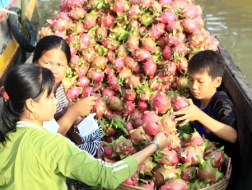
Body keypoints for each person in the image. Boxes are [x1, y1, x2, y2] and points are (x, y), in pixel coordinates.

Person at [0, 64, 168, 190]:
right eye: (50, 96)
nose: (56, 101)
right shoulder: (53, 144)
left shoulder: (4, 139)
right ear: (31, 105)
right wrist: (155, 146)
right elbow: (108, 176)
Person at [32, 35, 102, 158]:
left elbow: (64, 106)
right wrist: (74, 112)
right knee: (100, 151)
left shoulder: (56, 85)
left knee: (97, 132)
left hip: (63, 138)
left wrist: (78, 118)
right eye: (48, 63)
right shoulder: (34, 93)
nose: (54, 70)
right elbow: (48, 140)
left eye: (60, 65)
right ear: (35, 62)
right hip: (46, 150)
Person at [174, 50, 237, 157]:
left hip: (218, 161)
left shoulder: (221, 102)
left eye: (200, 81)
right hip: (198, 153)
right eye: (190, 80)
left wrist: (198, 115)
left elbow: (233, 136)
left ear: (217, 82)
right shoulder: (194, 99)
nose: (194, 86)